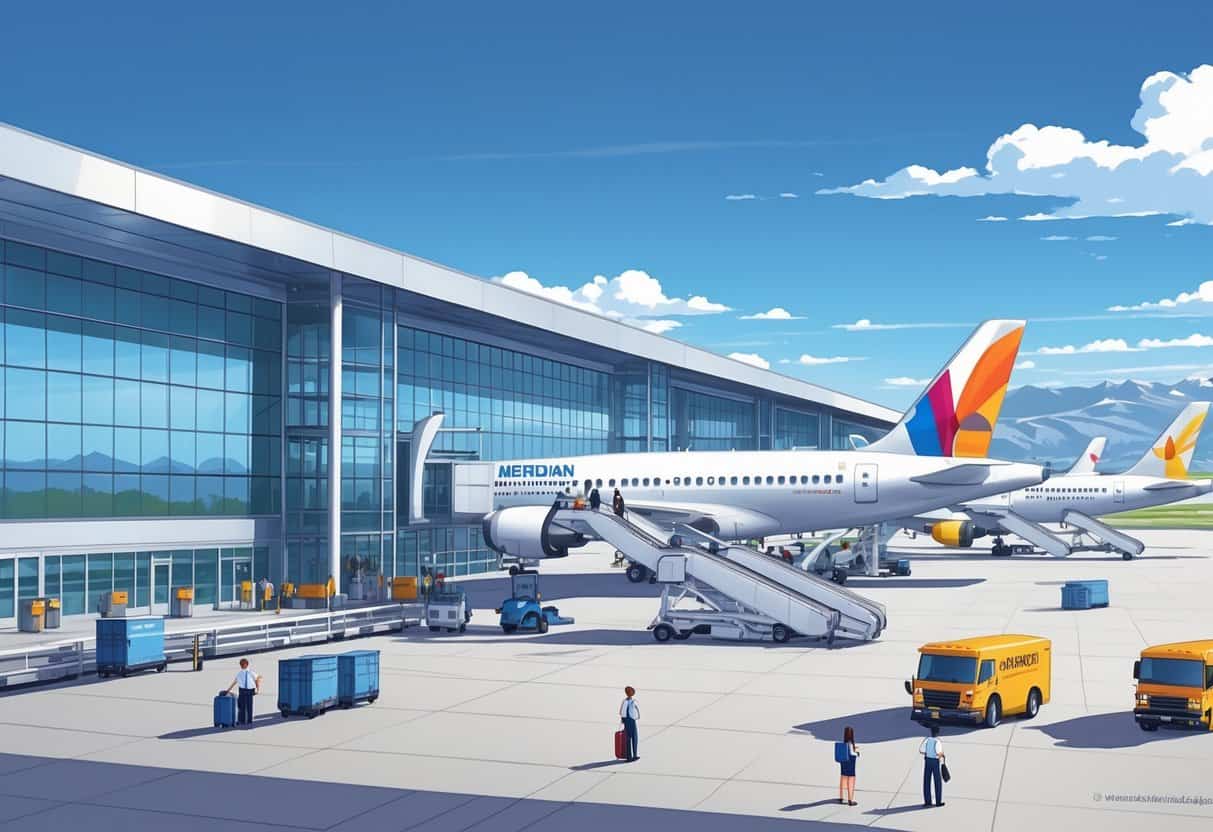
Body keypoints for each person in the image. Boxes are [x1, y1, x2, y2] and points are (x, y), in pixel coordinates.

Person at [225, 657, 261, 726]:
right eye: (241, 664)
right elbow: (234, 682)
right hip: (242, 690)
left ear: (247, 664)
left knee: (249, 705)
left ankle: (249, 720)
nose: (241, 665)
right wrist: (228, 690)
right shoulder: (239, 673)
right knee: (242, 706)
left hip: (250, 690)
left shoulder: (251, 672)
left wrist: (257, 689)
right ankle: (242, 720)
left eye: (243, 664)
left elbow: (257, 679)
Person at [919, 725, 945, 808]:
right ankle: (938, 802)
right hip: (935, 761)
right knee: (937, 781)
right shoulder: (938, 741)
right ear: (938, 733)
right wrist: (941, 755)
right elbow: (938, 752)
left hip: (927, 760)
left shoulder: (927, 740)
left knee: (926, 780)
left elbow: (921, 750)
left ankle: (927, 801)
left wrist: (928, 753)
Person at [838, 726, 859, 805]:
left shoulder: (843, 743)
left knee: (843, 778)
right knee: (851, 780)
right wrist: (857, 752)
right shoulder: (850, 743)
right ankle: (850, 799)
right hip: (850, 763)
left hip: (843, 762)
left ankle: (842, 797)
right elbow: (853, 753)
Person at [620, 685, 640, 761]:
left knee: (629, 738)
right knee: (633, 737)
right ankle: (632, 756)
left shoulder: (626, 701)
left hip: (628, 720)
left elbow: (622, 712)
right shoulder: (629, 701)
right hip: (630, 720)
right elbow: (624, 711)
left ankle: (630, 756)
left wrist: (623, 719)